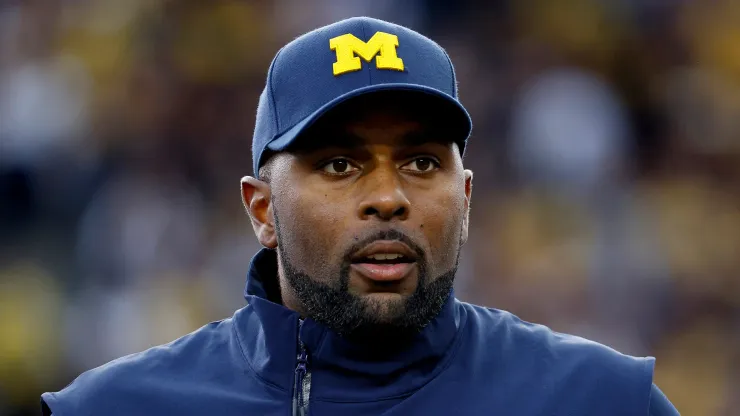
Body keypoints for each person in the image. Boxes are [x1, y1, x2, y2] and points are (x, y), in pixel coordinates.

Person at [41, 16, 679, 415]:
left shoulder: (599, 400)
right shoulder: (116, 409)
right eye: (340, 164)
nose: (387, 196)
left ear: (467, 199)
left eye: (423, 162)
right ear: (262, 211)